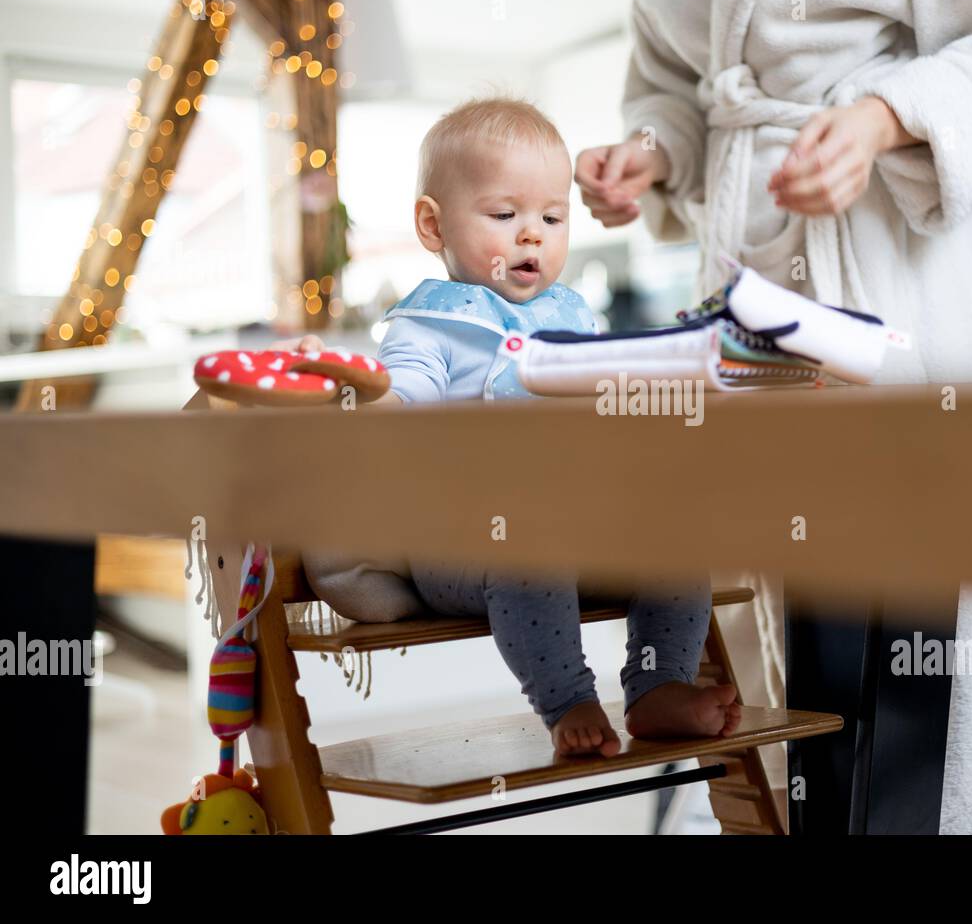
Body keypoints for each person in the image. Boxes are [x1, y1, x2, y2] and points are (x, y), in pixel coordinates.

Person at [575, 0, 972, 834]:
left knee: (914, 608)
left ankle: (926, 816)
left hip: (881, 267)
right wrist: (650, 153)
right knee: (769, 613)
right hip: (747, 286)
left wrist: (881, 120)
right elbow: (673, 89)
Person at [280, 97, 742, 757]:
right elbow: (401, 403)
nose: (533, 234)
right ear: (433, 226)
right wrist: (359, 395)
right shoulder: (429, 327)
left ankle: (657, 686)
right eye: (504, 215)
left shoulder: (573, 317)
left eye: (553, 217)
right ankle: (566, 701)